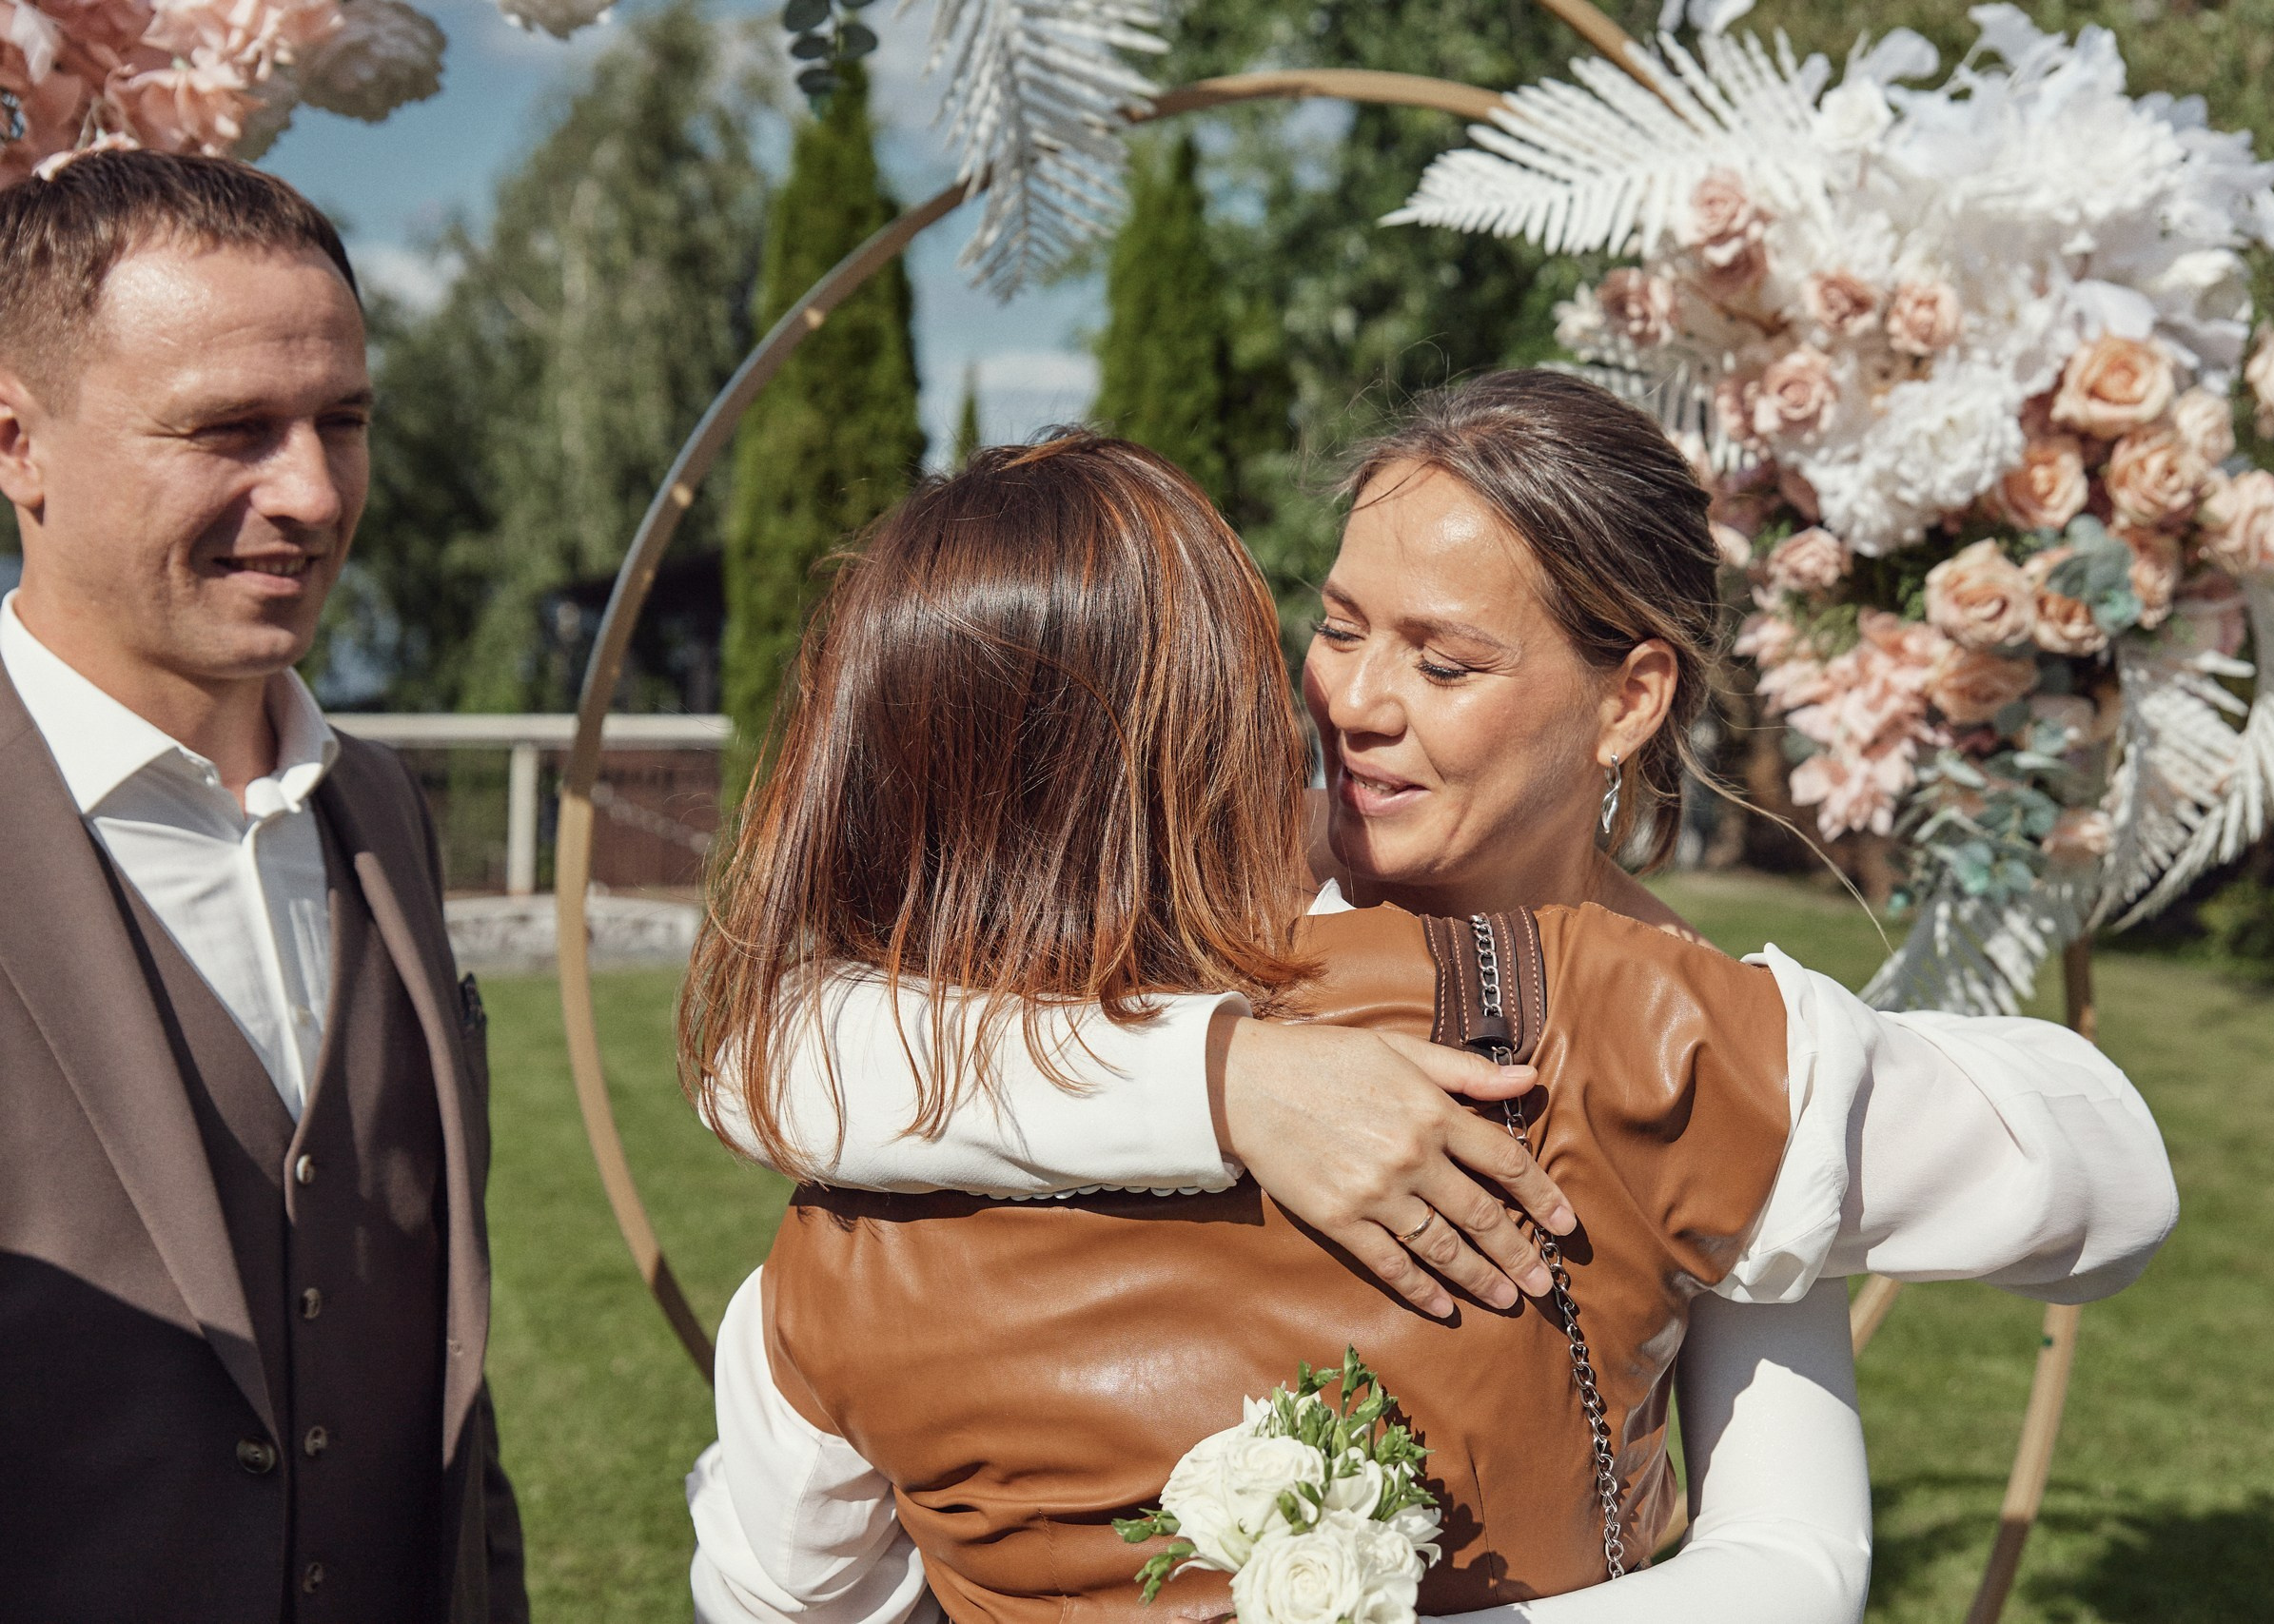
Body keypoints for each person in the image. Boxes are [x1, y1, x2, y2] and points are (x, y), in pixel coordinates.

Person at [681, 421, 2172, 1622]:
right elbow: (768, 1060)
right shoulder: (1625, 1037)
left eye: (1446, 662)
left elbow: (781, 1588)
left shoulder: (826, 1264)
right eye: (1330, 629)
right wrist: (1228, 1081)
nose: (1353, 703)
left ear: (1630, 697)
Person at [0, 151, 526, 1622]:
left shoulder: (380, 814)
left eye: (340, 423)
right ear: (15, 443)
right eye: (229, 429)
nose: (308, 491)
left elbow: (441, 1379)